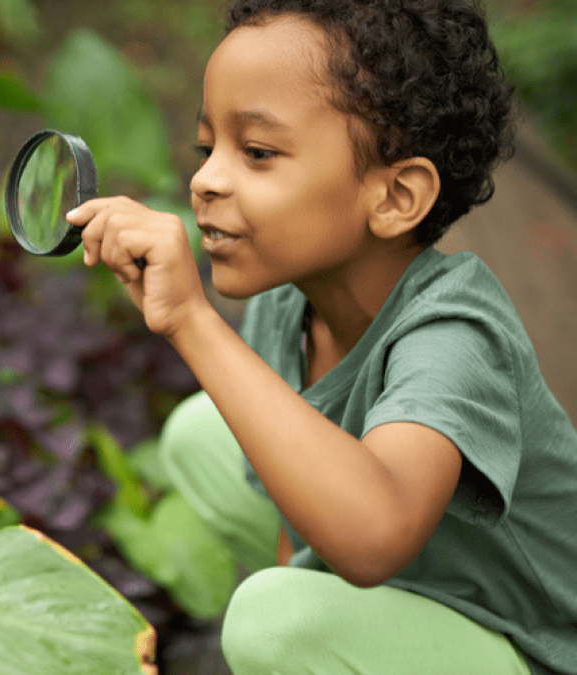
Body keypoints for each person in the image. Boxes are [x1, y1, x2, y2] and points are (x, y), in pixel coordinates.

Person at [65, 0, 577, 673]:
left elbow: (372, 534)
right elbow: (300, 530)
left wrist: (193, 321)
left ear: (395, 198)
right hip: (423, 585)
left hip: (534, 646)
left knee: (270, 619)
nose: (205, 179)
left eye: (257, 152)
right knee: (200, 434)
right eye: (206, 146)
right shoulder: (289, 301)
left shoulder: (455, 334)